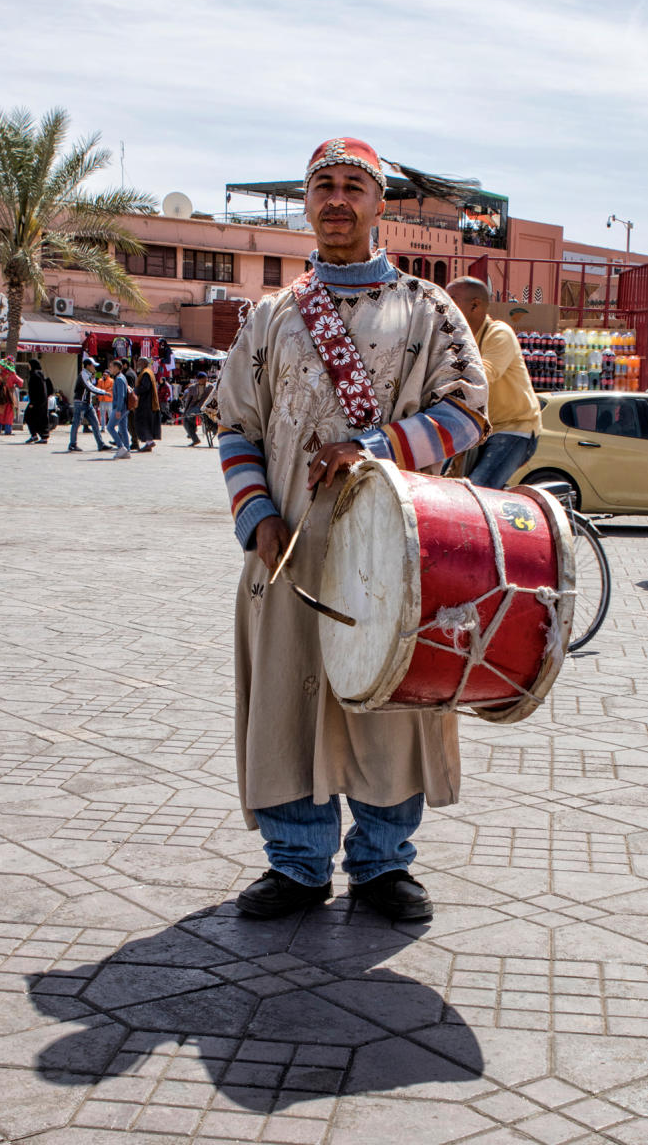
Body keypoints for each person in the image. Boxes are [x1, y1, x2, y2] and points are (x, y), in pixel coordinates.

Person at [215, 137, 489, 921]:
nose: (336, 199)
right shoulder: (269, 315)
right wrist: (256, 516)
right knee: (287, 705)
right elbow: (233, 425)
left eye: (352, 187)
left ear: (377, 204)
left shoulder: (429, 310)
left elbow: (469, 415)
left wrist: (375, 447)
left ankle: (381, 865)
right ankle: (296, 866)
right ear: (307, 202)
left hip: (396, 553)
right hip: (290, 548)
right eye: (322, 186)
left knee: (388, 709)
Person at [446, 277, 541, 488]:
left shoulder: (499, 333)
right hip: (476, 430)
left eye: (451, 299)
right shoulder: (457, 338)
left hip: (513, 428)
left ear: (475, 305)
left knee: (479, 489)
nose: (444, 306)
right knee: (441, 485)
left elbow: (484, 374)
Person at [68, 358, 112, 452]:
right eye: (93, 366)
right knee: (76, 423)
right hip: (80, 403)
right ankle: (72, 444)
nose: (94, 368)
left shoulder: (88, 375)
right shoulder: (83, 375)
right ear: (88, 366)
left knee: (95, 423)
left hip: (87, 403)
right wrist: (103, 392)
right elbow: (90, 387)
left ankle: (101, 444)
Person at [0, 357, 24, 436]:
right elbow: (21, 383)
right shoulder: (12, 375)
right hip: (10, 397)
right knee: (9, 413)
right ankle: (7, 431)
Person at [105, 359, 131, 458]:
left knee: (110, 427)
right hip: (125, 407)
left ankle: (121, 447)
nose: (109, 369)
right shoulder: (122, 377)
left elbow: (121, 396)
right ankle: (127, 450)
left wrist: (119, 410)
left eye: (111, 367)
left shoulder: (119, 379)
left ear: (116, 368)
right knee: (123, 428)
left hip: (120, 407)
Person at [133, 357, 159, 453]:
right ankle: (148, 442)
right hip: (147, 402)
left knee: (143, 422)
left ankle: (149, 442)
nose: (138, 364)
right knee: (145, 423)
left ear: (144, 363)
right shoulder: (148, 372)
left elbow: (145, 387)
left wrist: (135, 390)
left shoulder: (146, 373)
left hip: (146, 402)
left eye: (140, 362)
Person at [182, 371, 214, 446]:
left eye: (205, 378)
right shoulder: (192, 388)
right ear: (198, 379)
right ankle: (195, 439)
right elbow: (188, 401)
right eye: (203, 379)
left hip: (205, 406)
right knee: (185, 419)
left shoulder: (210, 387)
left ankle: (194, 428)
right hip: (194, 406)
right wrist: (185, 411)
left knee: (191, 414)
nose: (205, 380)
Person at [24, 358, 50, 443]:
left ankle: (36, 435)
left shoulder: (35, 375)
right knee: (40, 418)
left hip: (36, 402)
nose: (28, 366)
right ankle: (40, 436)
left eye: (29, 364)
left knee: (28, 416)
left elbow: (35, 390)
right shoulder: (41, 374)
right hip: (43, 401)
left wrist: (33, 402)